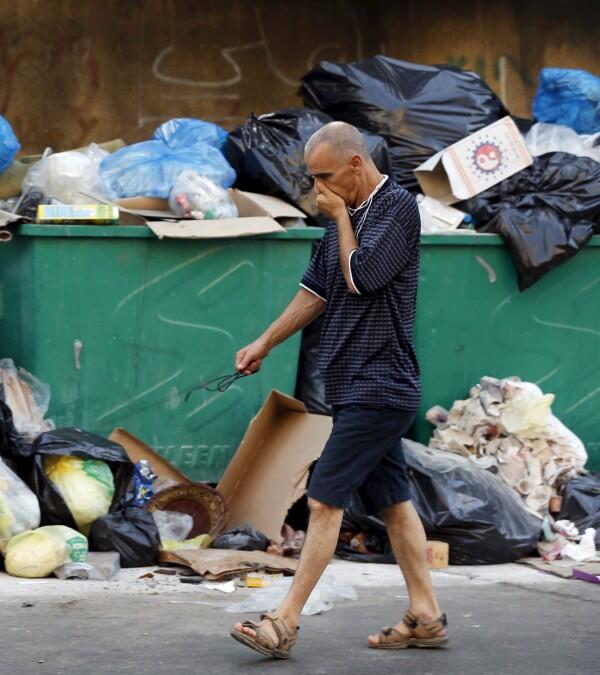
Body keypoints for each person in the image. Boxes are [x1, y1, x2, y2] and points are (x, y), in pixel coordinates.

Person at [229, 122, 447, 659]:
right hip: (353, 383)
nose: (317, 188)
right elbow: (317, 290)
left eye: (324, 176)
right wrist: (265, 342)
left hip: (382, 384)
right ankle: (426, 613)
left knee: (325, 499)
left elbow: (363, 276)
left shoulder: (396, 209)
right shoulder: (340, 219)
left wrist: (340, 219)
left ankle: (284, 622)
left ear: (355, 163)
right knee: (394, 503)